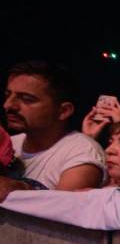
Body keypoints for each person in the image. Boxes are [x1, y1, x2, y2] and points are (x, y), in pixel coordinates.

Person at [1, 60, 105, 201]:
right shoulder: (9, 143)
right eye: (8, 96)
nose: (8, 105)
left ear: (63, 111)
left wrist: (18, 188)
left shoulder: (81, 153)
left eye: (27, 99)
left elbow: (61, 213)